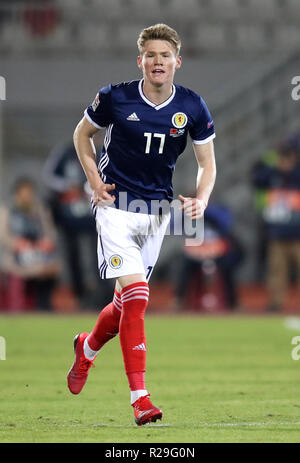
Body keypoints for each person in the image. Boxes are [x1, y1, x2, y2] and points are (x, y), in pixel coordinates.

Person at [67, 24, 216, 426]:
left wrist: (200, 199)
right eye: (150, 55)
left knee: (124, 305)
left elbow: (207, 163)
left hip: (155, 213)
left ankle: (87, 347)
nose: (157, 62)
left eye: (165, 56)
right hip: (115, 205)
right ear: (141, 61)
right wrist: (93, 181)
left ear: (177, 62)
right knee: (137, 294)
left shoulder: (193, 106)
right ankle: (140, 398)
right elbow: (83, 135)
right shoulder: (114, 97)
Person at [42, 139, 113, 309]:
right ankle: (80, 295)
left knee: (100, 256)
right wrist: (67, 185)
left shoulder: (104, 153)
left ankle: (103, 297)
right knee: (73, 256)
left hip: (96, 216)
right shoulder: (65, 152)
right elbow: (49, 176)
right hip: (69, 218)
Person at [252, 133, 300, 312]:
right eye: (282, 157)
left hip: (298, 233)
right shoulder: (271, 174)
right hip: (277, 232)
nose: (284, 162)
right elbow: (256, 178)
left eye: (287, 158)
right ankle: (275, 303)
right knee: (277, 271)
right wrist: (270, 163)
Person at [0, 177, 61, 311]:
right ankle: (16, 310)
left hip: (39, 254)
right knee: (14, 271)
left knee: (50, 269)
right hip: (16, 256)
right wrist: (17, 244)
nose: (27, 196)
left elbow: (50, 232)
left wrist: (45, 242)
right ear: (17, 193)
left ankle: (44, 308)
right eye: (24, 193)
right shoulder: (7, 210)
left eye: (29, 193)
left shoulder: (40, 210)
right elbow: (4, 236)